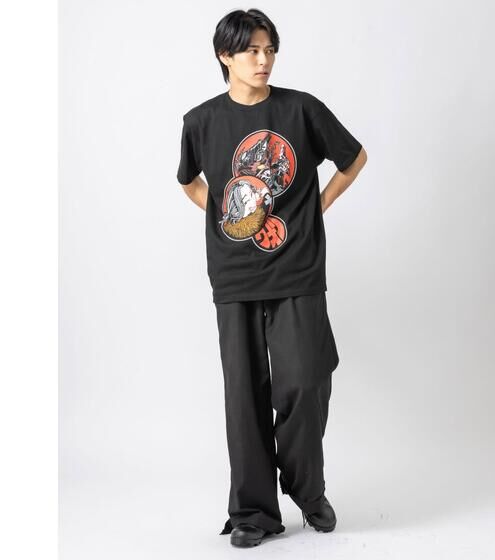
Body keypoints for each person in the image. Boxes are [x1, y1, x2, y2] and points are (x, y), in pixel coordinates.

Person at [176, 8, 367, 548]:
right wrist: (228, 216)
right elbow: (190, 181)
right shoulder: (200, 121)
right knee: (245, 396)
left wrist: (317, 207)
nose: (263, 60)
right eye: (252, 51)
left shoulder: (300, 110)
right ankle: (253, 513)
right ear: (225, 56)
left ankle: (307, 487)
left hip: (298, 267)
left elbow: (353, 158)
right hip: (235, 274)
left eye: (269, 50)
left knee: (306, 380)